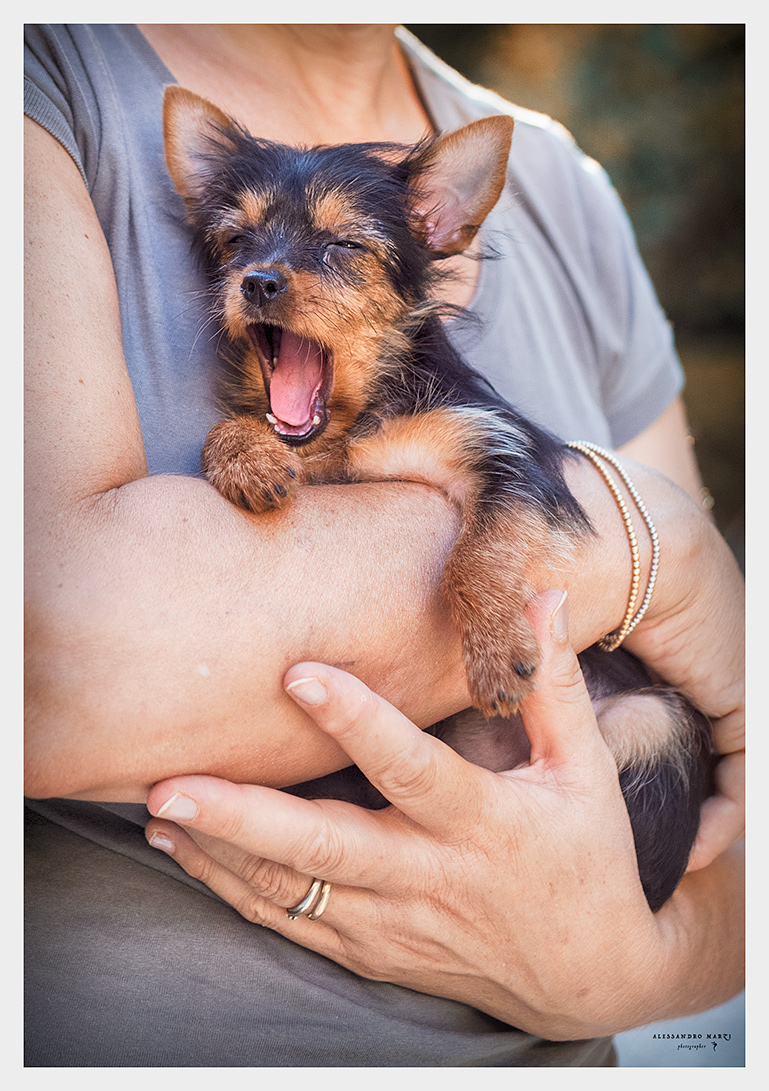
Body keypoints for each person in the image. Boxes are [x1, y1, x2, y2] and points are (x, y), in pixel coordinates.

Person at [24, 23, 744, 1067]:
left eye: (344, 249)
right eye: (240, 244)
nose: (269, 272)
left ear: (436, 231)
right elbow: (51, 660)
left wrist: (622, 972)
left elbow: (735, 829)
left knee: (649, 724)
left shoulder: (564, 187)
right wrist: (659, 545)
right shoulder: (50, 69)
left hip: (579, 1005)